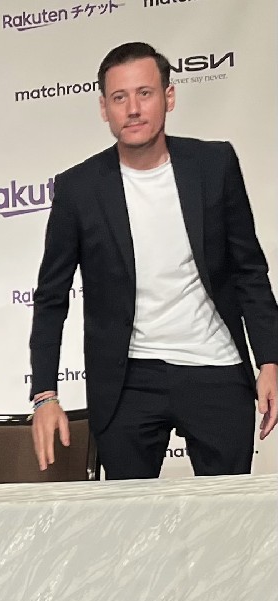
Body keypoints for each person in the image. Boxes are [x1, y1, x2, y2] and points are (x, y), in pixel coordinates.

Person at [29, 41, 278, 480]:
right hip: (127, 381)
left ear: (169, 96)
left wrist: (270, 361)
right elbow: (51, 297)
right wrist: (45, 395)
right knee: (127, 516)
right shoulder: (78, 188)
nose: (133, 109)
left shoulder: (214, 163)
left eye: (144, 93)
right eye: (119, 97)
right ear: (103, 108)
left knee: (227, 515)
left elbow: (249, 271)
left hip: (215, 367)